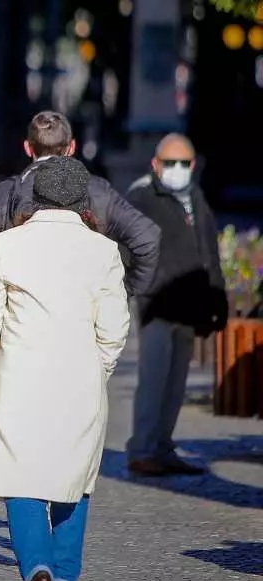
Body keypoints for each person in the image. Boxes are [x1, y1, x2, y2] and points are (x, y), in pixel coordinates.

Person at [0, 156, 131, 581]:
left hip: (20, 378)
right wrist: (98, 366)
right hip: (80, 381)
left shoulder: (8, 243)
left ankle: (36, 573)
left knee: (21, 481)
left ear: (34, 198)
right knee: (74, 481)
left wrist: (12, 337)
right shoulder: (103, 252)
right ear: (83, 202)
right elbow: (114, 328)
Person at [123, 134, 226, 477]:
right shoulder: (141, 197)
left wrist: (217, 297)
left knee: (176, 384)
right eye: (171, 163)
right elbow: (125, 248)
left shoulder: (195, 197)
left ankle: (163, 447)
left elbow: (208, 250)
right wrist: (139, 287)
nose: (178, 170)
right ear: (155, 164)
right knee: (153, 381)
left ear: (193, 165)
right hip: (157, 306)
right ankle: (142, 449)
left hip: (190, 307)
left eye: (184, 163)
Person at [0, 111, 159, 295]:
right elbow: (148, 239)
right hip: (86, 312)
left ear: (27, 147)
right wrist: (123, 291)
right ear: (71, 147)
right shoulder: (98, 191)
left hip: (21, 315)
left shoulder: (1, 196)